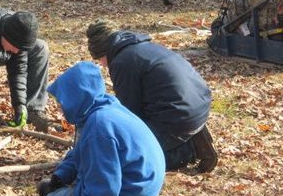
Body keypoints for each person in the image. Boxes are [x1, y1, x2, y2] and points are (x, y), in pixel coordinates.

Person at [37, 62, 166, 196]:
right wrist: (60, 177)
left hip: (131, 192)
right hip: (144, 185)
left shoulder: (98, 127)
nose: (60, 108)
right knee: (48, 190)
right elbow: (81, 151)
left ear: (76, 98)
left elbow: (103, 182)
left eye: (62, 102)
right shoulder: (105, 107)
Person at [86, 21, 218, 173]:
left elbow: (130, 112)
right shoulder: (145, 46)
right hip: (199, 104)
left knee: (132, 159)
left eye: (100, 59)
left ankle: (188, 151)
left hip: (179, 117)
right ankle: (191, 136)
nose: (102, 65)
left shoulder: (121, 62)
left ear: (104, 51)